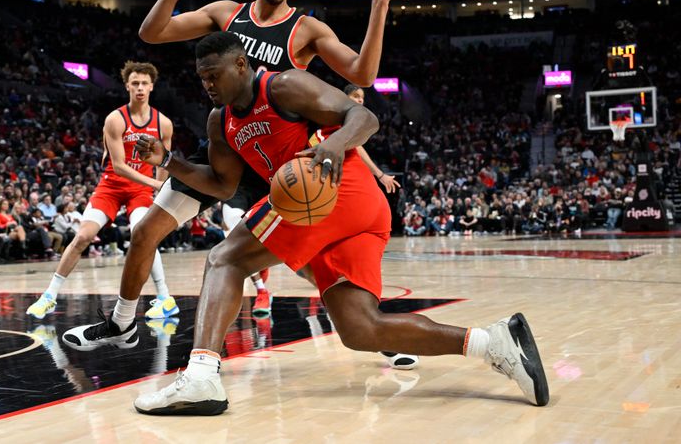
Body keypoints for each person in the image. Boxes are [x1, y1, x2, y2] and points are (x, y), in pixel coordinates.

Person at [130, 33, 549, 414]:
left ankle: (202, 375)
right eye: (202, 77)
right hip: (344, 212)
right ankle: (494, 343)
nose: (207, 84)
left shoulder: (282, 85)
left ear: (240, 65)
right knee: (361, 329)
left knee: (225, 258)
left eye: (213, 74)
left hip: (337, 188)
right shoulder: (220, 121)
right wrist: (169, 162)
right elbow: (222, 186)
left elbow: (364, 119)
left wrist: (332, 143)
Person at [61, 0, 416, 351]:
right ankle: (122, 323)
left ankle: (375, 328)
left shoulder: (305, 30)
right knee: (145, 232)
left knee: (304, 261)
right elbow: (152, 33)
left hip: (278, 163)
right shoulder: (226, 14)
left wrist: (379, 6)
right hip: (228, 147)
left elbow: (363, 74)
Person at [26, 61, 173, 320]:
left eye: (144, 84)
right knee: (83, 236)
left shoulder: (164, 123)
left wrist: (157, 190)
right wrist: (156, 184)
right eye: (135, 83)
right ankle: (49, 295)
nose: (139, 88)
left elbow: (164, 161)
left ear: (152, 87)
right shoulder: (115, 119)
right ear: (127, 86)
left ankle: (165, 298)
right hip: (112, 185)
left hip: (140, 190)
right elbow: (119, 166)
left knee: (144, 234)